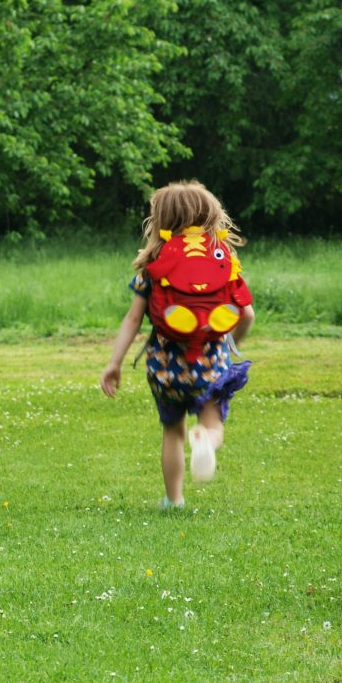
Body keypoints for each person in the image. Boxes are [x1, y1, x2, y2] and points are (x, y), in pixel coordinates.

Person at [101, 181, 255, 509]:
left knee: (172, 431)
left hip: (164, 368)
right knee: (211, 423)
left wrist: (114, 363)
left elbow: (132, 320)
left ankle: (174, 500)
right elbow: (248, 314)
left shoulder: (153, 264)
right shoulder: (222, 257)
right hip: (209, 365)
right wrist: (230, 346)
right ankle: (206, 440)